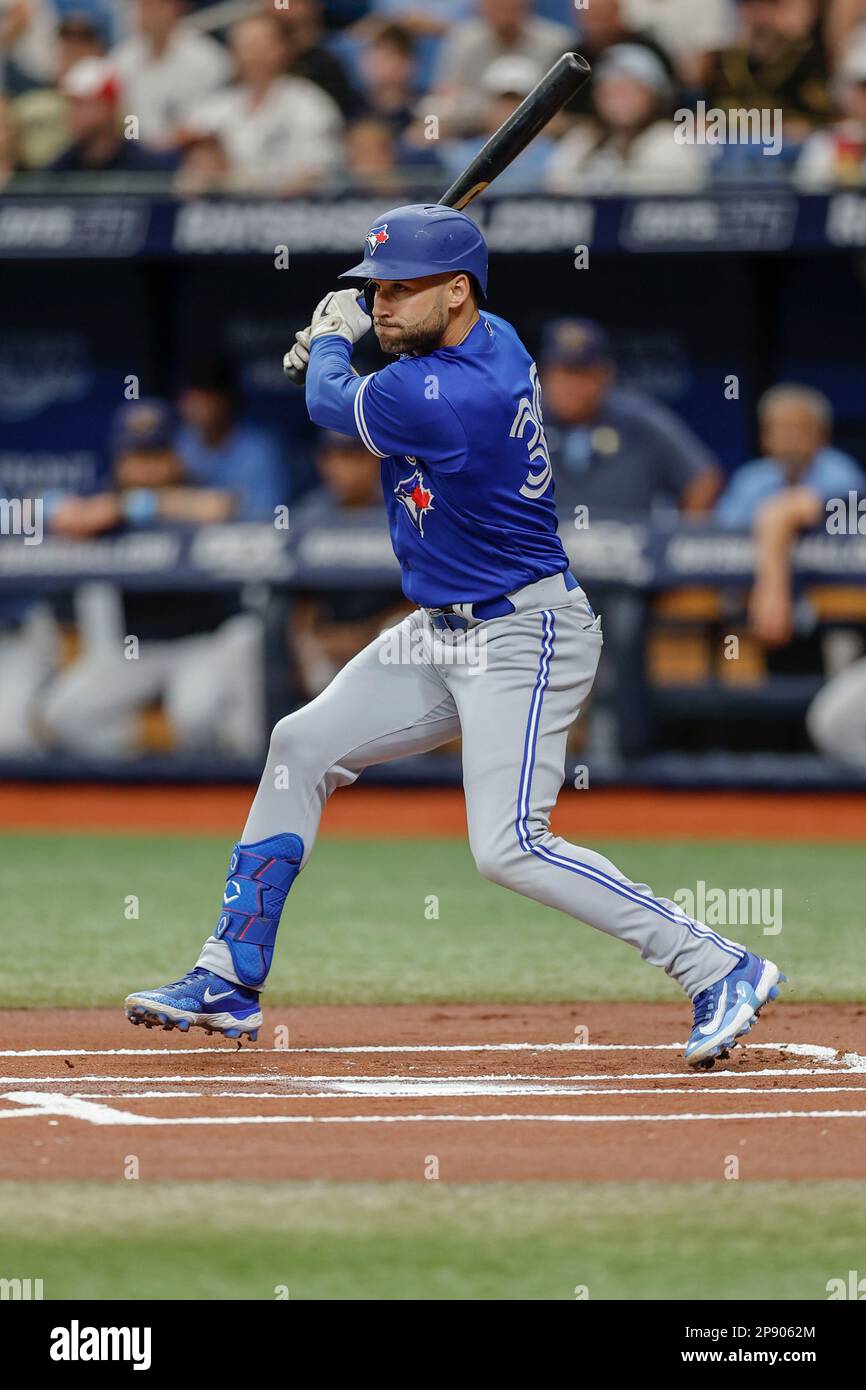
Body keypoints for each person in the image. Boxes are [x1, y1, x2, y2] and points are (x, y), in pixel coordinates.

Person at [125, 203, 785, 1069]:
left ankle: (720, 963)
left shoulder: (447, 394)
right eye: (377, 290)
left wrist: (330, 338)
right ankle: (228, 976)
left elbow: (332, 401)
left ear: (459, 292)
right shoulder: (493, 336)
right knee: (300, 742)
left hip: (525, 631)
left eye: (402, 290)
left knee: (510, 846)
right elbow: (385, 358)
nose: (385, 304)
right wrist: (359, 320)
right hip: (437, 632)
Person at [41, 400, 265, 758]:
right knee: (66, 714)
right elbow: (51, 510)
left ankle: (225, 795)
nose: (146, 466)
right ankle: (133, 785)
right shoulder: (104, 497)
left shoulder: (192, 490)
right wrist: (60, 508)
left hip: (203, 643)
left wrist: (134, 505)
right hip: (138, 650)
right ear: (119, 460)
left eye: (156, 453)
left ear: (175, 455)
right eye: (136, 456)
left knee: (194, 716)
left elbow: (220, 507)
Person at [541, 318, 722, 517]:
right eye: (564, 373)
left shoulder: (639, 420)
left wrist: (682, 539)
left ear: (605, 374)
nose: (572, 387)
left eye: (583, 374)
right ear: (545, 375)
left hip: (627, 545)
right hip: (542, 544)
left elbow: (704, 479)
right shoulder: (523, 420)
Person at [290, 431, 409, 697]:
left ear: (374, 460)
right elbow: (301, 600)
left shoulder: (401, 509)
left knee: (400, 635)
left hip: (383, 631)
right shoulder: (310, 514)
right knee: (311, 655)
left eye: (353, 456)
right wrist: (313, 638)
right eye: (334, 457)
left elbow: (418, 596)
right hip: (331, 636)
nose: (343, 468)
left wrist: (362, 636)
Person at [185, 12, 343, 192]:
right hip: (224, 212)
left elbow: (317, 171)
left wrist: (264, 199)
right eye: (246, 46)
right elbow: (189, 175)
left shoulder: (310, 103)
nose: (254, 55)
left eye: (262, 46)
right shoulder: (213, 107)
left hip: (295, 212)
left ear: (283, 49)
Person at [545, 42, 706, 193]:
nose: (619, 101)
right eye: (610, 91)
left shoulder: (670, 141)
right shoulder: (582, 139)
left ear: (655, 95)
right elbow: (556, 192)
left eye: (629, 90)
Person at [714, 385, 864, 530]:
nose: (789, 439)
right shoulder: (750, 479)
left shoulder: (842, 474)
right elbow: (722, 531)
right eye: (780, 429)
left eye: (798, 429)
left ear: (822, 436)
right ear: (765, 438)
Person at [176, 357, 288, 522]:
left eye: (206, 397)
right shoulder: (181, 443)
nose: (196, 405)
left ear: (225, 401)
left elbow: (266, 514)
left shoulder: (259, 450)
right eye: (192, 397)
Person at [110, 0, 231, 147]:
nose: (144, 14)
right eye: (141, 6)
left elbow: (210, 115)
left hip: (187, 150)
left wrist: (171, 141)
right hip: (136, 155)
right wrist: (135, 142)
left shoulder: (207, 58)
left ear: (173, 8)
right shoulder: (122, 59)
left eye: (153, 6)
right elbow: (126, 115)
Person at [50, 56, 177, 173]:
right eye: (69, 105)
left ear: (108, 107)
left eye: (79, 104)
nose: (70, 113)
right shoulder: (56, 173)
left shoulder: (148, 169)